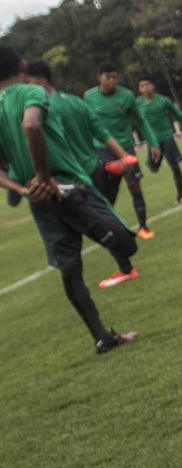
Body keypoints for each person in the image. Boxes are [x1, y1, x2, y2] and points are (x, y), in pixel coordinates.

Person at [0, 46, 139, 353]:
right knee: (127, 244)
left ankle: (101, 336)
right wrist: (44, 175)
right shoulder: (29, 92)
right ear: (22, 64)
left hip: (38, 200)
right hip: (66, 186)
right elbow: (31, 124)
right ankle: (91, 222)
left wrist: (25, 189)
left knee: (70, 270)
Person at [25, 59, 141, 288]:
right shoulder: (76, 101)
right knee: (104, 217)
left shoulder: (43, 108)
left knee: (96, 224)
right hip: (96, 166)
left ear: (39, 81)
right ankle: (124, 263)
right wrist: (123, 157)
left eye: (26, 83)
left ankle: (125, 263)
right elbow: (101, 129)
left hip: (75, 175)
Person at [82, 63, 161, 239]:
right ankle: (107, 227)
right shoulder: (89, 96)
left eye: (115, 77)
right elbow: (85, 124)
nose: (112, 81)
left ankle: (143, 227)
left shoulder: (126, 96)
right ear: (99, 78)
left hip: (125, 148)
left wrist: (153, 142)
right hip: (101, 149)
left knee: (134, 186)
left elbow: (140, 121)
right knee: (106, 192)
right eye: (108, 77)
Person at [136, 77, 182, 204]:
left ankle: (180, 196)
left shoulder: (163, 101)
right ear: (139, 89)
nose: (145, 88)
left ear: (153, 86)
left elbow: (179, 114)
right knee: (153, 169)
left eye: (148, 84)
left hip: (167, 137)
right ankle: (156, 159)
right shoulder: (138, 103)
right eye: (142, 86)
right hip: (152, 142)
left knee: (175, 166)